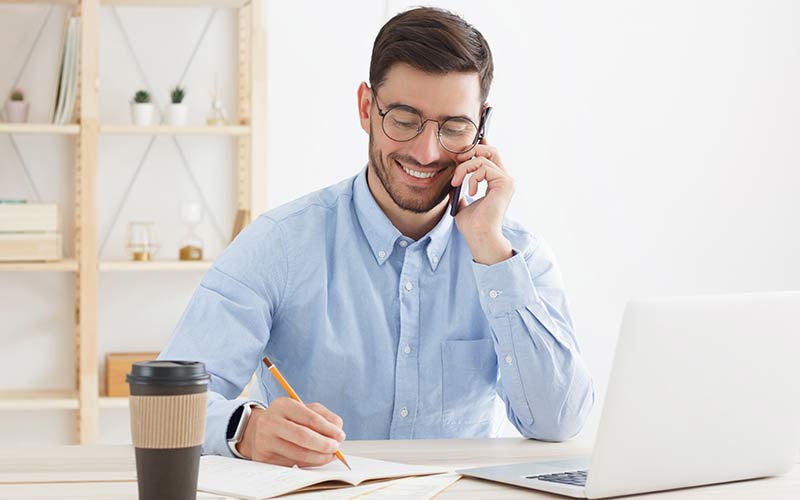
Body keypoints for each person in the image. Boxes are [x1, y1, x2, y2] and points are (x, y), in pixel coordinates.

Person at [160, 6, 594, 468]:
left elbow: (559, 421)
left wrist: (490, 252)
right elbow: (167, 405)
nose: (427, 152)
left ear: (481, 125)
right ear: (367, 108)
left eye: (453, 127)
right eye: (405, 120)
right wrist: (245, 430)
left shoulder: (514, 256)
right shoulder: (279, 245)